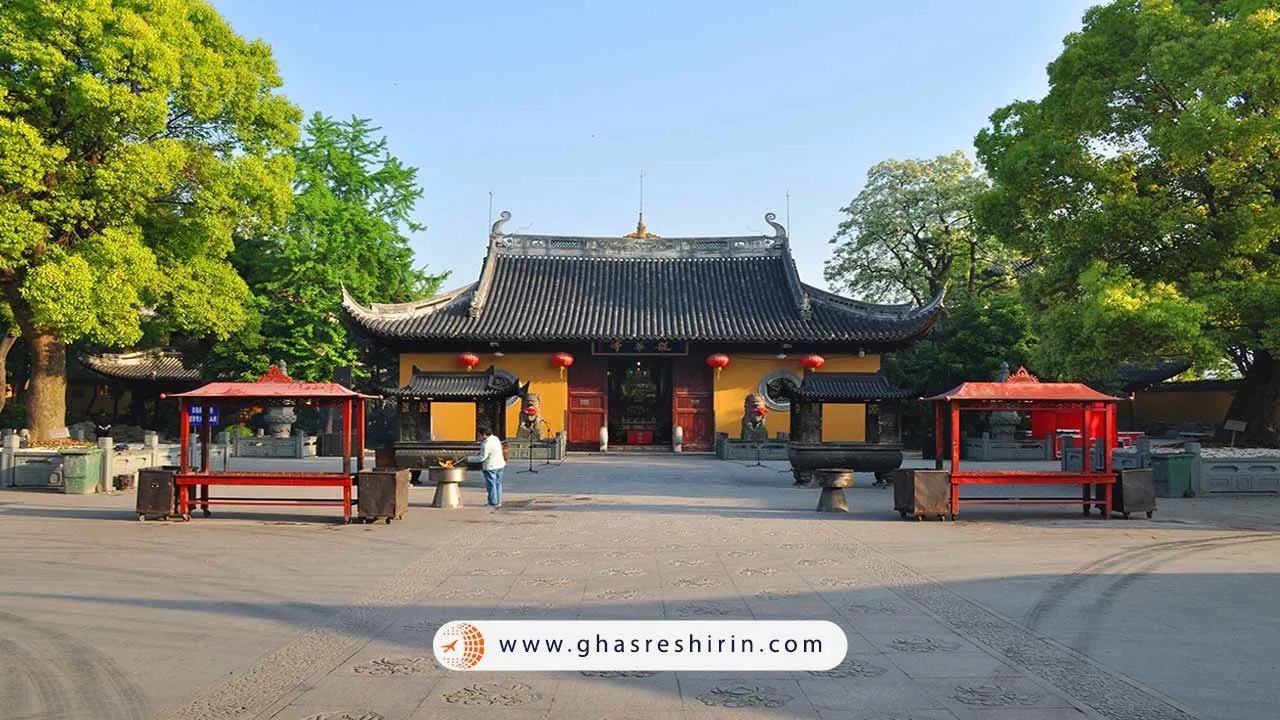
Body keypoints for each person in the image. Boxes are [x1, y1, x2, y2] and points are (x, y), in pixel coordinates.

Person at [466, 424, 506, 508]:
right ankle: (498, 501)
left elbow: (482, 458)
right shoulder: (495, 438)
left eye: (479, 435)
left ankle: (493, 502)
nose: (478, 437)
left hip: (490, 466)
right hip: (500, 464)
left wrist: (469, 459)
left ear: (484, 434)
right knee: (498, 483)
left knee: (491, 485)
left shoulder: (486, 444)